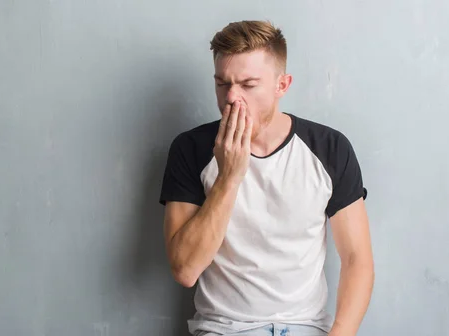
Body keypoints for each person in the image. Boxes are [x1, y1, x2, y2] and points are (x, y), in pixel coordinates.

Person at [158, 20, 374, 336]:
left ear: (281, 86)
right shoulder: (190, 149)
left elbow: (357, 259)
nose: (232, 97)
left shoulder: (329, 148)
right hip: (226, 329)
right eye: (222, 83)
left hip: (307, 326)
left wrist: (341, 332)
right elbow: (185, 270)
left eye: (248, 85)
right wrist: (228, 177)